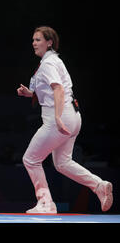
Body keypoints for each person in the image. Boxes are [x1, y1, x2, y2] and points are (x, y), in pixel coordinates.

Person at [17, 26, 113, 213]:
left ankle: (45, 203)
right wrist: (29, 93)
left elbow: (58, 89)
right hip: (73, 116)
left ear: (50, 42)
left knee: (30, 159)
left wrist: (58, 119)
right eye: (33, 40)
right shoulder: (53, 61)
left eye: (38, 40)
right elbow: (49, 91)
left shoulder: (48, 63)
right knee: (62, 163)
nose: (34, 43)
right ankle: (99, 185)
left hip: (58, 118)